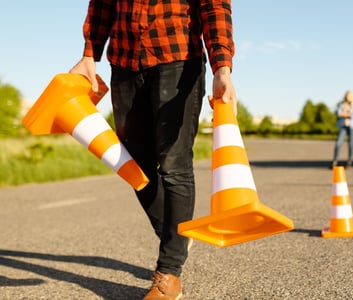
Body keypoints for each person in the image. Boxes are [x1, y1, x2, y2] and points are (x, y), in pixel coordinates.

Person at [69, 1, 236, 299]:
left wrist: (221, 68)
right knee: (133, 164)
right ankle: (178, 235)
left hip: (177, 57)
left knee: (174, 165)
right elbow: (102, 5)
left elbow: (214, 8)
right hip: (124, 62)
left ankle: (169, 273)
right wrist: (89, 53)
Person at [332, 91, 353, 168]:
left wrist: (345, 115)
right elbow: (339, 114)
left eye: (349, 96)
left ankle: (350, 160)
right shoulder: (342, 105)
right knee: (338, 143)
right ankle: (335, 160)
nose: (348, 98)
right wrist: (349, 114)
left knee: (351, 144)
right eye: (347, 96)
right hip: (343, 126)